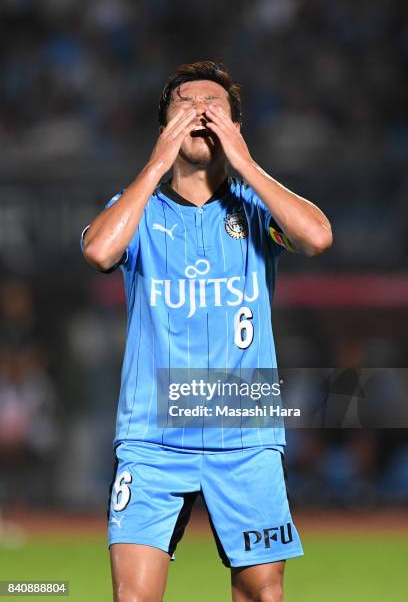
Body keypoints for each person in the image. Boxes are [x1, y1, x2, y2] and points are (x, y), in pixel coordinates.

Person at [81, 61, 332, 602]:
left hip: (244, 433)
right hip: (153, 436)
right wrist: (155, 164)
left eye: (214, 105)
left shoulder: (256, 209)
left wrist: (244, 161)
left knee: (262, 594)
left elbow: (316, 237)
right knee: (134, 598)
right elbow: (101, 250)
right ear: (165, 125)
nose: (200, 110)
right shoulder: (138, 212)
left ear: (235, 126)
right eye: (185, 103)